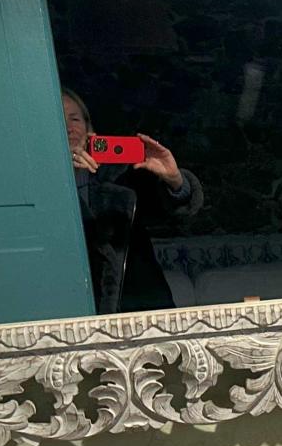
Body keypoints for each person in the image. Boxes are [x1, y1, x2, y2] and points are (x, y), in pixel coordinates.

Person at [62, 89, 203, 314]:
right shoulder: (39, 185)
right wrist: (61, 172)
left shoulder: (123, 178)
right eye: (60, 119)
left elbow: (175, 211)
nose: (69, 128)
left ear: (90, 130)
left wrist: (174, 180)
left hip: (141, 306)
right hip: (73, 308)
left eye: (75, 119)